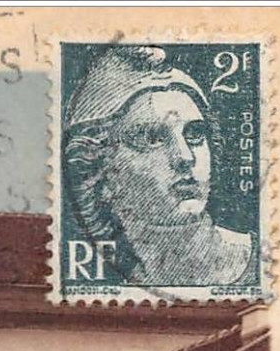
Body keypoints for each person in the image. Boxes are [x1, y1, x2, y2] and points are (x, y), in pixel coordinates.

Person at [64, 45, 254, 287]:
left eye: (195, 134)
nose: (185, 157)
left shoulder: (261, 261)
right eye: (152, 138)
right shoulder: (103, 271)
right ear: (99, 168)